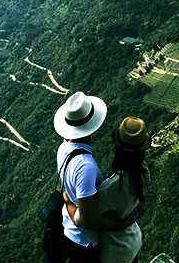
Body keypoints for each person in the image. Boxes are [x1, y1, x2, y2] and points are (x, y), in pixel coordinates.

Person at [54, 92, 137, 262]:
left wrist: (68, 200)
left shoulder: (63, 148)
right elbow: (88, 220)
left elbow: (68, 192)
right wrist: (121, 225)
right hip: (86, 243)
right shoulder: (86, 166)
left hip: (69, 233)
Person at [65, 117, 151, 263]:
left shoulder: (114, 187)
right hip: (132, 240)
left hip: (115, 250)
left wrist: (67, 200)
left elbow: (83, 219)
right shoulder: (144, 172)